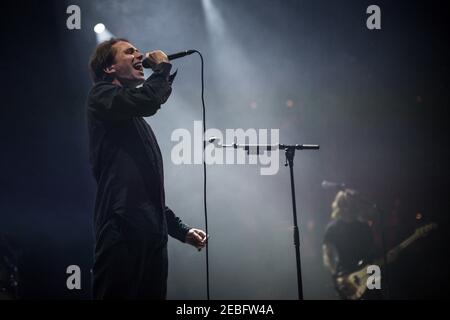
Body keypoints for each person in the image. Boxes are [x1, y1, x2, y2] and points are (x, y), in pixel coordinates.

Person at [86, 38, 207, 299]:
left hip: (152, 236)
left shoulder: (138, 123)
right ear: (109, 68)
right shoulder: (101, 96)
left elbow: (147, 190)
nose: (139, 55)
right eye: (129, 52)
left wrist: (181, 230)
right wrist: (161, 70)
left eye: (139, 51)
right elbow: (147, 100)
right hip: (122, 229)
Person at [322, 189, 379, 299]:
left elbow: (372, 251)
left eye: (352, 203)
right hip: (347, 277)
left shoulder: (364, 227)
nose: (350, 206)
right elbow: (328, 255)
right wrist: (337, 276)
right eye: (346, 203)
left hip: (369, 272)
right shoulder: (332, 229)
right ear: (340, 205)